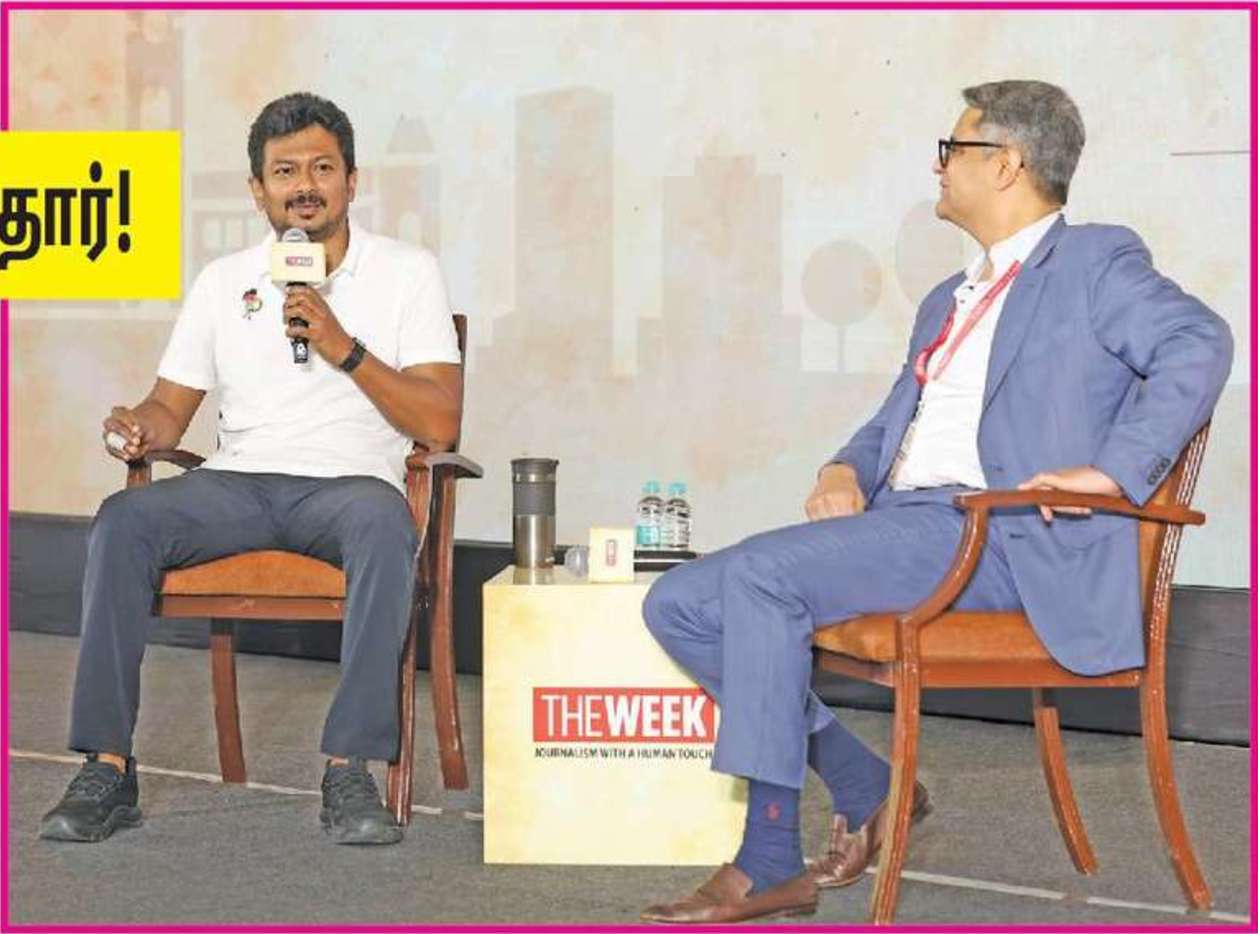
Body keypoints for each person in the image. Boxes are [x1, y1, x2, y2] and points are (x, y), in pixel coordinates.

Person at [639, 80, 1233, 923]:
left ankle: (768, 861)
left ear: (1007, 163)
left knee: (762, 580)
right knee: (679, 603)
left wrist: (1113, 471)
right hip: (911, 527)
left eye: (953, 148)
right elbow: (894, 422)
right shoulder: (947, 299)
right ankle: (865, 783)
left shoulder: (1093, 264)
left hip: (999, 534)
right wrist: (845, 469)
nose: (938, 166)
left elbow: (1200, 340)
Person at [39, 92, 463, 846]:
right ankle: (107, 767)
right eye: (285, 171)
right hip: (236, 484)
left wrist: (343, 347)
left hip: (348, 489)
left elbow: (439, 423)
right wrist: (139, 428)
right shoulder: (222, 280)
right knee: (123, 520)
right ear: (258, 190)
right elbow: (170, 409)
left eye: (322, 168)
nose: (305, 185)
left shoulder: (408, 272)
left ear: (352, 181)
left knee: (383, 523)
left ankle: (350, 769)